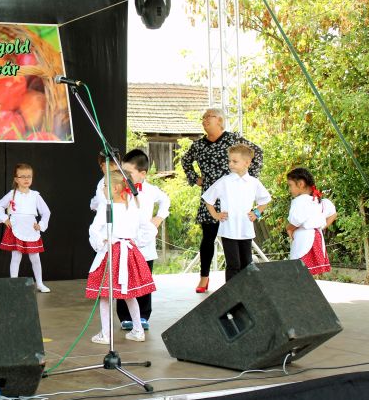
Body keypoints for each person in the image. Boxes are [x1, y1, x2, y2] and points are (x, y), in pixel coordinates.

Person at [181, 107, 263, 292]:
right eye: (203, 118)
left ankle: (241, 281)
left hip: (233, 197)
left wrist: (248, 179)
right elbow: (185, 161)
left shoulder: (233, 139)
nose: (204, 120)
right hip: (211, 196)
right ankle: (204, 278)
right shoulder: (198, 145)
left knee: (236, 241)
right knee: (208, 238)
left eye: (208, 117)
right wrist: (195, 179)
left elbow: (257, 153)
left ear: (220, 120)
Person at [87, 168, 156, 344]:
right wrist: (136, 242)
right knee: (129, 294)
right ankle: (138, 330)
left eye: (105, 186)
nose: (103, 189)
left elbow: (94, 229)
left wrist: (102, 241)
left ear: (116, 188)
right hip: (129, 253)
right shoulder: (134, 206)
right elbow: (149, 229)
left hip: (112, 253)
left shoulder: (107, 207)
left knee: (105, 295)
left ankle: (106, 334)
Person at [202, 144, 271, 282]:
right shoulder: (225, 181)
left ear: (247, 163)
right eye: (229, 161)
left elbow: (265, 200)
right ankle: (231, 293)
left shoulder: (254, 182)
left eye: (235, 161)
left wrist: (256, 213)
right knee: (233, 264)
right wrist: (215, 215)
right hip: (229, 230)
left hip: (245, 229)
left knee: (247, 264)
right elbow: (208, 199)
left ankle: (246, 292)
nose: (230, 164)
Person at [118, 149, 169, 333]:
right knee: (124, 279)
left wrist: (158, 218)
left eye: (129, 172)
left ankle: (143, 315)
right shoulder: (120, 190)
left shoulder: (151, 191)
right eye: (123, 172)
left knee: (144, 280)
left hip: (145, 244)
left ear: (142, 173)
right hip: (125, 242)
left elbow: (166, 200)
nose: (125, 176)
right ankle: (125, 316)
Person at [0, 163, 51, 293]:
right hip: (16, 229)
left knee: (35, 258)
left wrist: (41, 225)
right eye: (23, 176)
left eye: (29, 176)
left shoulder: (35, 195)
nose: (26, 179)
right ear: (16, 179)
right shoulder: (12, 194)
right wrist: (4, 218)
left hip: (31, 230)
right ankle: (14, 284)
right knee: (16, 257)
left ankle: (39, 283)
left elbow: (46, 212)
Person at [286, 168, 336, 275]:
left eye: (290, 185)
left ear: (301, 184)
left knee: (300, 270)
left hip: (304, 239)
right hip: (316, 238)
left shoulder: (300, 201)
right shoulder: (317, 200)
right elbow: (333, 214)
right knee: (311, 272)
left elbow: (296, 220)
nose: (289, 189)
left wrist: (289, 228)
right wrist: (319, 227)